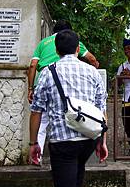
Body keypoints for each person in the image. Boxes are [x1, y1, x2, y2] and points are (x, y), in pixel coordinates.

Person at [29, 29, 108, 187]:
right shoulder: (92, 72)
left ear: (56, 51)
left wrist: (33, 143)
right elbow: (101, 109)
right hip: (88, 139)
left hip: (62, 143)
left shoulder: (48, 73)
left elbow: (36, 111)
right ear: (77, 49)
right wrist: (102, 141)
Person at [27, 20, 99, 150]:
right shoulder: (74, 41)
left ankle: (37, 153)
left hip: (43, 80)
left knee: (42, 121)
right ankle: (75, 143)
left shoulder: (43, 43)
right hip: (67, 83)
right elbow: (92, 59)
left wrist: (31, 88)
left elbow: (32, 65)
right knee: (68, 112)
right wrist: (93, 69)